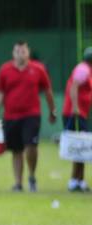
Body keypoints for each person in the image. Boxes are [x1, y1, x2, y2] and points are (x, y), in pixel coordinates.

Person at [0, 41, 56, 192]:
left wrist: (52, 110)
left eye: (23, 51)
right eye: (17, 51)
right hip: (11, 116)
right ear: (13, 53)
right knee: (16, 150)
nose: (20, 53)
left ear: (28, 52)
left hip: (31, 115)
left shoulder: (38, 69)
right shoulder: (5, 70)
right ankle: (18, 183)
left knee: (31, 146)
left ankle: (32, 176)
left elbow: (48, 91)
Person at [62, 47, 92, 192]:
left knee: (83, 148)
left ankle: (80, 181)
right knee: (78, 147)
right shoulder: (83, 69)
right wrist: (75, 107)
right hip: (75, 113)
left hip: (80, 113)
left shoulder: (87, 70)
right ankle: (73, 181)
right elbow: (74, 87)